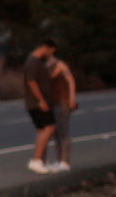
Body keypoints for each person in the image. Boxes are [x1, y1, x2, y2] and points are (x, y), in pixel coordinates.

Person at [25, 40, 78, 173]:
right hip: (52, 102)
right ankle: (53, 160)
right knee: (53, 132)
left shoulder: (59, 65)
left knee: (61, 132)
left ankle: (64, 161)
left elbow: (70, 80)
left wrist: (72, 99)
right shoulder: (42, 65)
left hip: (61, 101)